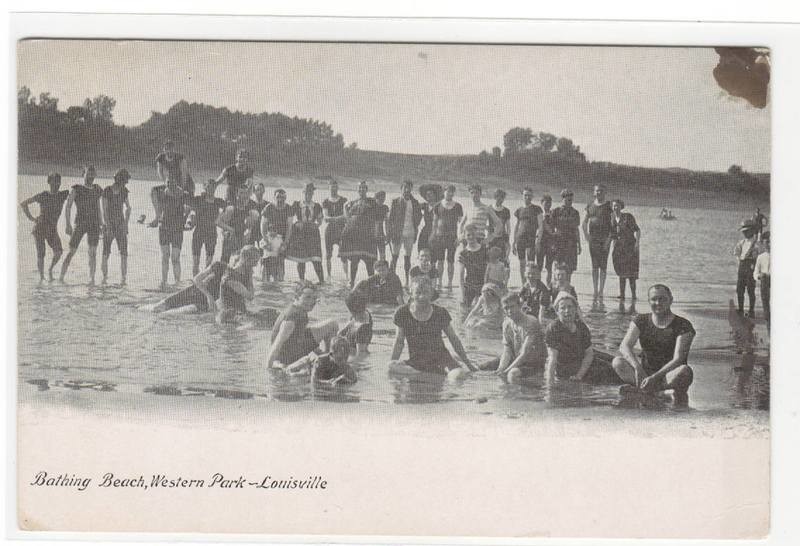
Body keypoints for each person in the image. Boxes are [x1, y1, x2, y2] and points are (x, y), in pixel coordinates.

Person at [611, 284, 696, 406]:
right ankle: (657, 392)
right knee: (617, 362)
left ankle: (648, 391)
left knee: (685, 371)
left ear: (671, 300)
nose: (658, 303)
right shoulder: (641, 320)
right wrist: (637, 368)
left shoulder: (683, 325)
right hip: (644, 374)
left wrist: (655, 377)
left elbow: (678, 359)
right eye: (654, 299)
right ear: (649, 301)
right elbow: (625, 346)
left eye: (662, 299)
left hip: (668, 376)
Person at [389, 275, 475, 379]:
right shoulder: (402, 312)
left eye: (425, 292)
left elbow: (453, 338)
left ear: (431, 293)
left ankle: (443, 369)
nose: (422, 297)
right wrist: (392, 362)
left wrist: (468, 363)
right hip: (417, 361)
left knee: (457, 376)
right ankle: (429, 375)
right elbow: (399, 342)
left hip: (442, 359)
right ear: (411, 293)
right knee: (391, 366)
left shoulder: (440, 312)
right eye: (418, 293)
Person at [152, 245, 262, 316]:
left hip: (205, 304)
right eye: (255, 261)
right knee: (156, 309)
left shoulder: (245, 277)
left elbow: (246, 298)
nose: (256, 265)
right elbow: (197, 279)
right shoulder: (219, 266)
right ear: (245, 259)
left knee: (170, 315)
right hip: (196, 293)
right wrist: (209, 296)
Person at [266, 283, 339, 369]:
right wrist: (269, 367)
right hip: (287, 357)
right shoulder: (291, 317)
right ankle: (329, 360)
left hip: (295, 345)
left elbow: (300, 332)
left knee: (332, 324)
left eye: (314, 298)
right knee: (332, 324)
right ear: (296, 297)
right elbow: (277, 344)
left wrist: (316, 350)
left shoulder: (300, 310)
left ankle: (327, 356)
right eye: (307, 297)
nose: (311, 301)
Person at [479, 292, 546, 382]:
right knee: (483, 367)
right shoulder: (506, 323)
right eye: (506, 308)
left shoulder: (531, 322)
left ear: (519, 306)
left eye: (512, 307)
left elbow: (524, 353)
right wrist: (500, 369)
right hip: (515, 358)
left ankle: (520, 390)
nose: (509, 311)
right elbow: (507, 350)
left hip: (533, 364)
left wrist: (505, 371)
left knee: (512, 374)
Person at [20, 172, 69, 282]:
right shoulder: (43, 195)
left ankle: (50, 269)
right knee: (41, 254)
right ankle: (42, 278)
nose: (56, 184)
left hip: (52, 229)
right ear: (49, 182)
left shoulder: (63, 195)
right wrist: (32, 218)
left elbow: (76, 195)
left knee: (59, 252)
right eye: (54, 181)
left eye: (58, 182)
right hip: (40, 228)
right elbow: (23, 204)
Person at [59, 165, 103, 284]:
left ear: (95, 175)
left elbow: (98, 208)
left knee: (92, 253)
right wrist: (68, 224)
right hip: (80, 223)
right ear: (83, 174)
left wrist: (102, 224)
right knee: (71, 251)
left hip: (94, 224)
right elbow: (68, 206)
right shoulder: (77, 189)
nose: (90, 177)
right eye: (88, 174)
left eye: (92, 174)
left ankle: (92, 279)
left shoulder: (97, 189)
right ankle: (61, 278)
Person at [544, 292, 594, 383]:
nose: (567, 311)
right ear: (557, 311)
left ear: (575, 309)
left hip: (581, 367)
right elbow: (552, 358)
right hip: (561, 370)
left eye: (570, 307)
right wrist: (549, 385)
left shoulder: (581, 327)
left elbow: (589, 354)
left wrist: (579, 375)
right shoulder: (553, 328)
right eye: (563, 308)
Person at [339, 181, 380, 287]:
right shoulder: (352, 203)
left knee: (369, 261)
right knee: (354, 260)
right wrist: (344, 208)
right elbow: (348, 219)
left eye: (363, 188)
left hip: (368, 235)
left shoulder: (372, 202)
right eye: (360, 188)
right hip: (355, 236)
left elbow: (377, 219)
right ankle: (352, 282)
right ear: (357, 190)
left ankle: (372, 283)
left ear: (367, 190)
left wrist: (376, 233)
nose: (361, 190)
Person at [156, 175, 192, 289]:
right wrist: (157, 219)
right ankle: (164, 282)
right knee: (165, 256)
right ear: (166, 183)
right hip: (164, 228)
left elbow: (189, 209)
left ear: (177, 182)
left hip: (177, 229)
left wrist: (186, 220)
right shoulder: (162, 194)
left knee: (175, 257)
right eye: (168, 182)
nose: (170, 185)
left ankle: (177, 282)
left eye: (173, 182)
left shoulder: (184, 194)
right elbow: (158, 209)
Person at [285, 182, 325, 283]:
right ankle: (302, 281)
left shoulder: (316, 206)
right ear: (303, 192)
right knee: (301, 259)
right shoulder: (296, 204)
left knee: (316, 259)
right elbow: (289, 218)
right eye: (306, 192)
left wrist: (315, 225)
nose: (308, 194)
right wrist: (296, 224)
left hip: (312, 234)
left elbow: (320, 220)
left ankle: (322, 281)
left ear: (313, 193)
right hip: (300, 233)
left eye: (310, 192)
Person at [582, 184, 614, 307]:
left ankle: (601, 290)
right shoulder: (590, 206)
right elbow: (584, 223)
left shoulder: (609, 206)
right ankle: (595, 290)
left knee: (603, 266)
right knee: (594, 266)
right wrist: (586, 236)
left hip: (605, 240)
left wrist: (609, 240)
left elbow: (613, 226)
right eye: (597, 191)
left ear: (605, 193)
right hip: (593, 240)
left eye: (601, 191)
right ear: (594, 192)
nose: (599, 193)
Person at [187, 179, 227, 275]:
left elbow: (229, 210)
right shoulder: (198, 199)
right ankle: (195, 281)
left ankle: (205, 280)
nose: (211, 189)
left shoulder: (219, 201)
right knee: (195, 262)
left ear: (215, 188)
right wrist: (189, 221)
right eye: (208, 187)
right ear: (204, 187)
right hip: (198, 232)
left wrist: (223, 226)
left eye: (213, 187)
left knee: (209, 262)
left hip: (211, 233)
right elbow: (190, 210)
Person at [387, 179, 423, 286]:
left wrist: (415, 226)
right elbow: (390, 219)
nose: (407, 190)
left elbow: (419, 217)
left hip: (410, 232)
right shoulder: (395, 201)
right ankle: (391, 280)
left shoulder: (415, 202)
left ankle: (407, 280)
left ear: (411, 189)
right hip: (397, 233)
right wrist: (389, 234)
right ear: (401, 189)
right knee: (394, 257)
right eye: (405, 188)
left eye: (409, 188)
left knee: (408, 257)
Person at [100, 169, 132, 285]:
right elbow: (104, 210)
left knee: (124, 253)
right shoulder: (107, 190)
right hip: (110, 224)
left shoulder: (124, 191)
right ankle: (104, 278)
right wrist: (108, 226)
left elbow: (128, 208)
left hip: (120, 224)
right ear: (119, 179)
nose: (126, 183)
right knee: (106, 253)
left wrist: (126, 224)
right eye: (125, 181)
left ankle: (123, 279)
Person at [284, 336, 357, 386]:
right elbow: (314, 381)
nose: (343, 361)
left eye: (346, 358)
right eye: (340, 359)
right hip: (308, 363)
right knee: (291, 373)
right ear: (331, 354)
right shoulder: (321, 360)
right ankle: (281, 366)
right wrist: (328, 382)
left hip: (320, 372)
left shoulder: (347, 367)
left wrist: (347, 381)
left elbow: (354, 381)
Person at [150, 140, 192, 227]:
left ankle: (185, 219)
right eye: (167, 149)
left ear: (174, 149)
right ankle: (158, 217)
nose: (169, 151)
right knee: (153, 191)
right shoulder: (161, 157)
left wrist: (181, 188)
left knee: (185, 199)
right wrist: (166, 182)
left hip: (186, 183)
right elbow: (160, 172)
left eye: (171, 149)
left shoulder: (180, 158)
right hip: (172, 183)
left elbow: (184, 174)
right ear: (164, 150)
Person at [429, 184, 463, 289]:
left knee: (451, 261)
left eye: (452, 192)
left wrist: (459, 238)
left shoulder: (458, 206)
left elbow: (461, 224)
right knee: (440, 261)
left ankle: (449, 283)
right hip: (439, 237)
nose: (450, 193)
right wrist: (433, 236)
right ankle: (439, 282)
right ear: (444, 192)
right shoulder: (437, 205)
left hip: (452, 238)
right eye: (448, 191)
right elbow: (434, 223)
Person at [217, 185, 260, 265]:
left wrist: (249, 231)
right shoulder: (231, 204)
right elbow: (218, 222)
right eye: (241, 193)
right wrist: (230, 230)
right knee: (224, 262)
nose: (243, 195)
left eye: (245, 193)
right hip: (231, 235)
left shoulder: (252, 205)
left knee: (243, 262)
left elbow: (255, 220)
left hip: (244, 236)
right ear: (237, 194)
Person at [609, 199, 641, 303]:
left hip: (630, 247)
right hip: (619, 248)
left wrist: (637, 243)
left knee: (631, 273)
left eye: (617, 206)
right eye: (614, 206)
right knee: (621, 271)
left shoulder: (628, 217)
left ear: (621, 207)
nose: (615, 208)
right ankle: (622, 294)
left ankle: (633, 295)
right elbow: (613, 235)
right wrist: (612, 247)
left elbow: (637, 230)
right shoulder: (612, 218)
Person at [512, 187, 544, 282]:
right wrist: (514, 242)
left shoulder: (537, 209)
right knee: (522, 263)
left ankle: (532, 283)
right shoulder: (519, 210)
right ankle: (523, 284)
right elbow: (516, 227)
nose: (527, 197)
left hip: (531, 239)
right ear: (522, 196)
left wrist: (538, 241)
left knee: (531, 264)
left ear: (532, 196)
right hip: (520, 239)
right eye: (525, 195)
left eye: (529, 195)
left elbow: (541, 226)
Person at [550, 189, 581, 283]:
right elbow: (551, 228)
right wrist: (552, 242)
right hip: (559, 242)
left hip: (571, 242)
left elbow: (576, 229)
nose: (569, 202)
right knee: (557, 266)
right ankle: (556, 287)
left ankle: (567, 286)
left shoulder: (575, 213)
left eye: (571, 200)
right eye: (567, 199)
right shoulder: (556, 211)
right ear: (562, 199)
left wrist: (579, 244)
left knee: (569, 268)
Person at [261, 188, 293, 279]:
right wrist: (266, 241)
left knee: (280, 262)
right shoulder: (269, 207)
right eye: (278, 197)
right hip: (269, 237)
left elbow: (289, 228)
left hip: (282, 238)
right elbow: (263, 226)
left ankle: (279, 282)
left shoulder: (289, 208)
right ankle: (264, 282)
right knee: (266, 262)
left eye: (282, 197)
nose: (280, 199)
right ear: (274, 197)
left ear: (285, 198)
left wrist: (285, 243)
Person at [321, 177, 348, 278]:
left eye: (335, 187)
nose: (333, 189)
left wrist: (333, 219)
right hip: (330, 230)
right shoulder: (325, 201)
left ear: (337, 188)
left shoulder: (344, 200)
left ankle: (347, 276)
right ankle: (328, 276)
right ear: (329, 188)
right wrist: (338, 218)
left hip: (341, 229)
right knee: (328, 255)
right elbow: (325, 218)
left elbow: (346, 216)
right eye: (331, 187)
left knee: (344, 254)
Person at [733, 219, 759, 318]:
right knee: (739, 289)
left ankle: (751, 311)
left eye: (746, 231)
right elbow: (736, 252)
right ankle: (740, 309)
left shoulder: (756, 243)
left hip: (751, 266)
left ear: (752, 230)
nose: (744, 233)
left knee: (750, 289)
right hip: (742, 265)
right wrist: (740, 260)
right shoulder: (742, 242)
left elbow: (759, 256)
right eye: (744, 231)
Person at [337, 289, 373, 357]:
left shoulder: (363, 328)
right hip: (351, 350)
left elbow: (361, 355)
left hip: (355, 355)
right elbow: (340, 333)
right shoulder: (360, 315)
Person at [458, 226, 488, 306]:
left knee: (482, 308)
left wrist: (486, 288)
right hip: (469, 285)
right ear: (464, 236)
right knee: (464, 308)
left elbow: (489, 270)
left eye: (473, 234)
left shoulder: (484, 250)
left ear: (476, 235)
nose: (471, 237)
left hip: (483, 285)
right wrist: (462, 294)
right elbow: (461, 276)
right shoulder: (463, 253)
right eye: (468, 235)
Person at [753, 231, 770, 332]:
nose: (769, 244)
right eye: (767, 242)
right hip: (765, 283)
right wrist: (760, 276)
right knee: (766, 311)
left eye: (770, 242)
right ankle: (769, 332)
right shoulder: (761, 257)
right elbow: (755, 273)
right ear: (763, 243)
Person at [538, 194, 555, 286]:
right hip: (540, 241)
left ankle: (548, 285)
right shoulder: (539, 214)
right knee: (539, 266)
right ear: (542, 203)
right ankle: (538, 285)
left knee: (549, 266)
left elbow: (554, 227)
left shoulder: (553, 214)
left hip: (550, 242)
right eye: (546, 203)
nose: (548, 205)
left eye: (549, 203)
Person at [417, 186, 438, 254]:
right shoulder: (425, 205)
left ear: (435, 195)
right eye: (427, 194)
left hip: (435, 231)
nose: (428, 195)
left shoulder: (439, 206)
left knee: (433, 253)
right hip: (425, 230)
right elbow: (414, 204)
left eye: (431, 193)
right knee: (421, 250)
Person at [491, 188, 511, 257]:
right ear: (494, 197)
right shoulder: (489, 209)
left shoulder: (506, 211)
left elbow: (508, 227)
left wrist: (507, 238)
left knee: (502, 257)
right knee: (491, 257)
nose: (499, 199)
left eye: (502, 197)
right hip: (491, 237)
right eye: (497, 196)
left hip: (502, 237)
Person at [374, 191, 389, 262]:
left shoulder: (385, 208)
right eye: (380, 198)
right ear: (376, 198)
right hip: (372, 233)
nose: (382, 200)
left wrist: (387, 234)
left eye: (383, 198)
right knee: (373, 255)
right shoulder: (372, 207)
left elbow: (387, 222)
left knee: (382, 254)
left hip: (381, 233)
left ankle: (382, 266)